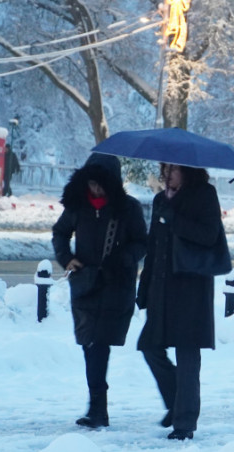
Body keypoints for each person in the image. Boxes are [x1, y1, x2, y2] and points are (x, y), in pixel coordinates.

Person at [52, 153, 147, 429]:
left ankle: (97, 409)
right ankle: (97, 407)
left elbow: (142, 242)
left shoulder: (129, 209)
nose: (96, 190)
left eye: (101, 184)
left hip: (116, 286)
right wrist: (65, 258)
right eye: (92, 184)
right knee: (89, 345)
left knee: (99, 345)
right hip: (84, 284)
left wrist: (124, 258)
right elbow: (60, 232)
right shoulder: (77, 205)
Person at [137, 163, 230, 441]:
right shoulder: (160, 200)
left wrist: (174, 218)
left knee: (188, 357)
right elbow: (153, 246)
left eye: (173, 169)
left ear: (188, 170)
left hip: (191, 290)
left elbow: (208, 235)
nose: (167, 174)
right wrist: (144, 288)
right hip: (161, 289)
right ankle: (178, 401)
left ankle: (185, 422)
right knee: (150, 346)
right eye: (164, 168)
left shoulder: (204, 195)